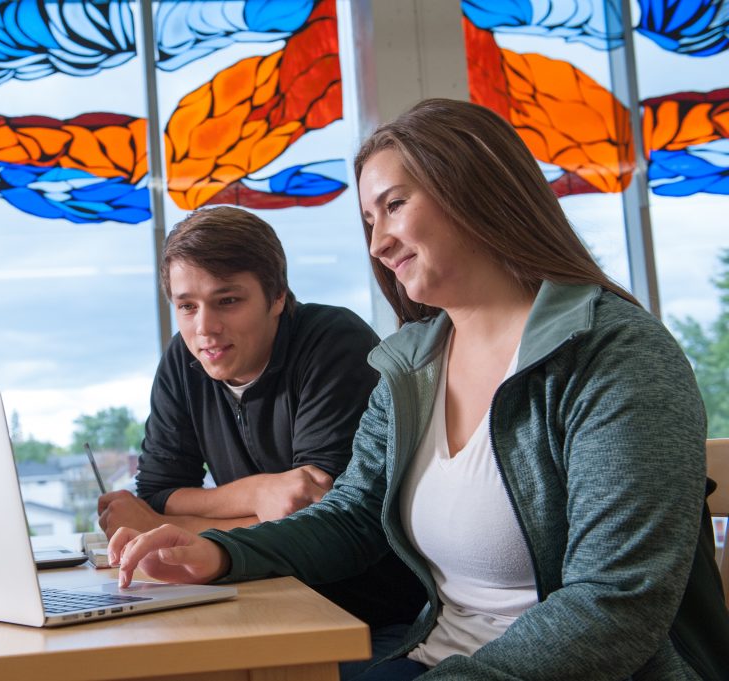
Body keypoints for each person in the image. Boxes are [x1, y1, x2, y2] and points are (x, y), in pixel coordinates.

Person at [107, 99, 729, 680]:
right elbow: (352, 517)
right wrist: (215, 555)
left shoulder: (616, 357)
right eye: (369, 220)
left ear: (475, 191)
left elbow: (615, 604)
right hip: (432, 655)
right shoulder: (415, 363)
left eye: (395, 205)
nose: (378, 243)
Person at [97, 205, 425, 628]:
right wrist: (256, 494)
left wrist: (164, 525)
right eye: (187, 306)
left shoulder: (333, 342)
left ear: (277, 297)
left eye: (227, 300)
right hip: (255, 595)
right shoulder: (183, 358)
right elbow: (160, 489)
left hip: (361, 613)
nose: (204, 328)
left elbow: (316, 517)